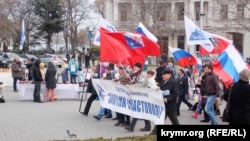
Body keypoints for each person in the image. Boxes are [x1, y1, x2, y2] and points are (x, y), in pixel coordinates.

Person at [150, 69, 180, 135]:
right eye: (162, 75)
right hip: (163, 105)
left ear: (169, 75)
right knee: (159, 120)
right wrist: (158, 89)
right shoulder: (163, 81)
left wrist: (168, 99)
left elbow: (176, 94)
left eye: (164, 75)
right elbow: (162, 90)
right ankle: (154, 133)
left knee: (175, 122)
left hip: (170, 106)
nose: (162, 76)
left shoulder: (174, 82)